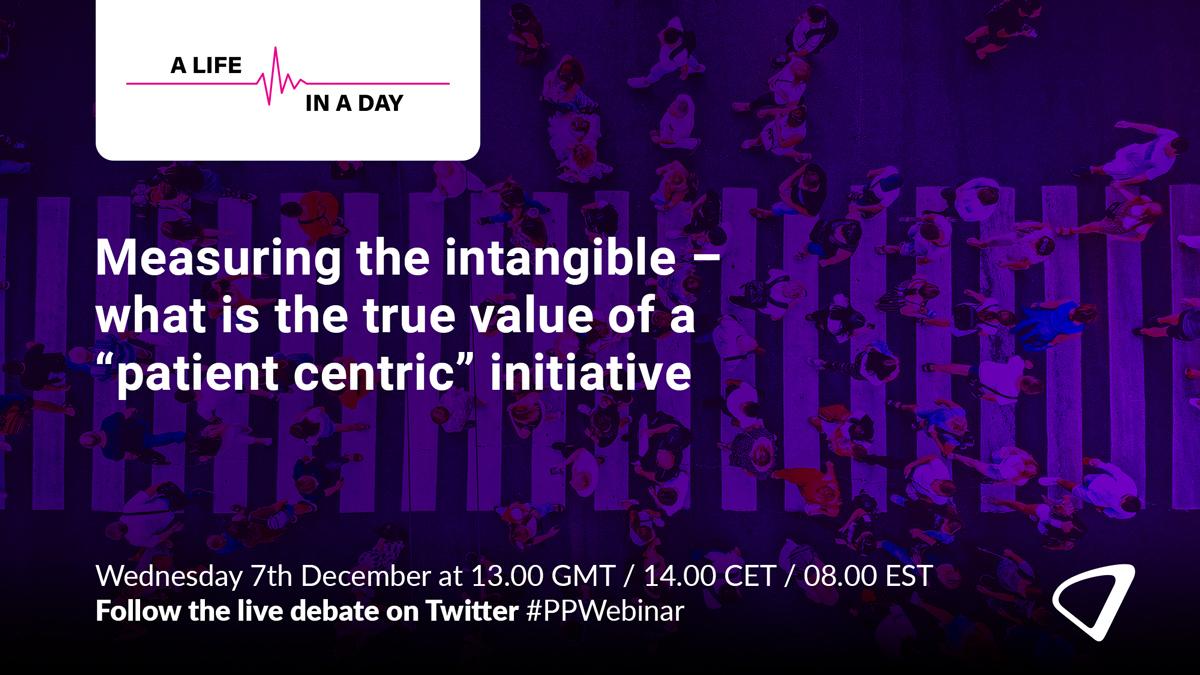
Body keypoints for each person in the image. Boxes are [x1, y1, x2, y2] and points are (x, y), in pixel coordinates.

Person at [1074, 121, 1187, 186]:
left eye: (1168, 148)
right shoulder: (1171, 135)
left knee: (1108, 169)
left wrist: (1123, 183)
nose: (1166, 146)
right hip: (1134, 150)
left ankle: (1092, 169)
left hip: (1132, 167)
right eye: (1168, 143)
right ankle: (1104, 169)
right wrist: (1130, 124)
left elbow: (1144, 177)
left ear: (1176, 153)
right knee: (1115, 159)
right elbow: (1153, 129)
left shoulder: (1165, 166)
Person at [1039, 457, 1140, 520]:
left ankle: (1057, 481)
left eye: (1120, 503)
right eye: (1122, 498)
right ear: (1130, 496)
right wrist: (1100, 464)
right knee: (1085, 478)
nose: (1119, 500)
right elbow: (1116, 471)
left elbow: (1113, 514)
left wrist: (1103, 510)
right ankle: (1076, 465)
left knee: (1075, 490)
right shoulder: (1130, 485)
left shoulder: (1126, 514)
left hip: (1097, 500)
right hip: (1099, 481)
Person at [1058, 185, 1162, 243]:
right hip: (1117, 212)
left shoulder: (1144, 225)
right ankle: (1098, 229)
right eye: (1149, 204)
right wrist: (1120, 188)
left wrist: (1119, 238)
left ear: (1149, 215)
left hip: (1116, 225)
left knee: (1092, 226)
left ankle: (1071, 231)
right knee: (1096, 226)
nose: (1145, 206)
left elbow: (1140, 238)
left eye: (1147, 209)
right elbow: (1133, 199)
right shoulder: (1145, 200)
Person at [80, 407, 184, 464]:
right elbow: (127, 413)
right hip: (140, 427)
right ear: (92, 432)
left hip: (142, 443)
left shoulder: (108, 453)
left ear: (93, 446)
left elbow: (129, 456)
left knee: (158, 441)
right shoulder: (107, 423)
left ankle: (178, 436)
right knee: (144, 423)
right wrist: (134, 410)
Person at [923, 355, 1042, 405]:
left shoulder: (1018, 367)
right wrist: (981, 396)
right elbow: (994, 399)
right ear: (1027, 391)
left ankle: (934, 367)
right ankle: (935, 368)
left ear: (1031, 378)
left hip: (983, 370)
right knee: (959, 372)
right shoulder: (1012, 397)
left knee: (958, 369)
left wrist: (1025, 362)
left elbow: (1012, 358)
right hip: (981, 384)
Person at [105, 482, 189, 548]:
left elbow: (157, 539)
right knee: (190, 496)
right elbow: (148, 492)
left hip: (172, 512)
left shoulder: (134, 540)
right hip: (170, 505)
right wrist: (164, 483)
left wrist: (172, 530)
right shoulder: (127, 510)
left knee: (190, 497)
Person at [627, 16, 705, 88]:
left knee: (656, 71)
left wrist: (683, 75)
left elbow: (684, 66)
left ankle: (647, 82)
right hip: (685, 54)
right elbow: (676, 19)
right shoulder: (677, 30)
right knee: (690, 58)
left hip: (669, 64)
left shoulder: (678, 55)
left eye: (665, 41)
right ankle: (698, 68)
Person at [889, 398, 975, 455]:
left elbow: (945, 452)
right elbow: (949, 403)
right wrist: (942, 401)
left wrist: (935, 437)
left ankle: (921, 424)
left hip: (934, 427)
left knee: (926, 425)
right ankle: (901, 406)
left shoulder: (955, 440)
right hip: (933, 412)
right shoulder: (960, 412)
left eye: (959, 432)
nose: (960, 428)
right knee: (915, 408)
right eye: (962, 428)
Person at [965, 0, 1042, 61]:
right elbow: (1000, 34)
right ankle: (981, 52)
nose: (1038, 14)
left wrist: (1002, 4)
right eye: (1037, 12)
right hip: (1002, 27)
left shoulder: (1019, 2)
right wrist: (1020, 33)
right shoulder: (1016, 24)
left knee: (987, 29)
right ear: (1029, 12)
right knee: (1000, 46)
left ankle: (970, 38)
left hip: (997, 17)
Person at [732, 55, 810, 113]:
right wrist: (773, 78)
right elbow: (784, 71)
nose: (790, 68)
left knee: (762, 99)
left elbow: (788, 102)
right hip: (776, 85)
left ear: (796, 78)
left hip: (777, 97)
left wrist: (775, 89)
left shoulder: (797, 89)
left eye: (792, 70)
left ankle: (748, 107)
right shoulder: (796, 63)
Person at [1012, 299, 1098, 352]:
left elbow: (1053, 304)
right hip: (1049, 332)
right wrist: (1051, 343)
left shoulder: (1071, 303)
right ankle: (1019, 342)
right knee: (1031, 336)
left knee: (1027, 322)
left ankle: (1012, 327)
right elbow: (1061, 338)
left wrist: (1039, 304)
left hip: (1044, 316)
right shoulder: (1078, 330)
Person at [750, 161, 827, 218]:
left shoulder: (816, 199)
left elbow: (810, 214)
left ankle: (768, 214)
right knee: (783, 190)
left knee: (779, 208)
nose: (800, 184)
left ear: (810, 189)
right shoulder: (815, 170)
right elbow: (806, 166)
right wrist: (789, 181)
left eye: (802, 186)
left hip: (803, 205)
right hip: (800, 195)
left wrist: (790, 203)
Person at [966, 222, 1056, 270]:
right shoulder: (1047, 232)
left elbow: (1024, 264)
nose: (1034, 241)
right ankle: (982, 244)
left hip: (1021, 251)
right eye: (1038, 240)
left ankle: (1011, 264)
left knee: (1017, 262)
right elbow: (1040, 225)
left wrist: (1007, 264)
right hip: (1021, 237)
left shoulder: (1034, 257)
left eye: (1035, 244)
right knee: (996, 240)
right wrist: (1023, 225)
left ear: (1037, 252)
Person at [728, 268, 806, 320]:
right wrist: (792, 305)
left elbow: (770, 271)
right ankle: (733, 300)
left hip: (752, 286)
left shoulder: (783, 276)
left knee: (747, 288)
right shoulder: (782, 307)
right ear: (792, 297)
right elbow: (774, 318)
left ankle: (739, 291)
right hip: (755, 303)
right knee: (747, 303)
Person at [635, 411, 691, 484]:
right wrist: (652, 431)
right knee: (656, 418)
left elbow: (658, 478)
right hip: (658, 431)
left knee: (642, 462)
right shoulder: (673, 426)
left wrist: (641, 472)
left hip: (652, 452)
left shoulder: (669, 468)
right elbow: (671, 426)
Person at [810, 342, 900, 385]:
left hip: (860, 370)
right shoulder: (886, 355)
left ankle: (825, 364)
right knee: (844, 367)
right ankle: (827, 365)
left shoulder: (887, 373)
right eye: (891, 360)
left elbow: (874, 380)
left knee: (843, 367)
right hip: (862, 360)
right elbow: (874, 348)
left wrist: (864, 371)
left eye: (891, 363)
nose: (890, 361)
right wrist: (869, 348)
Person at [741, 105, 809, 161]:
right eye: (789, 119)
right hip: (774, 128)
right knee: (764, 134)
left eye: (792, 123)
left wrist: (777, 126)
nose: (789, 123)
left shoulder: (800, 135)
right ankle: (756, 142)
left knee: (787, 152)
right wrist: (767, 112)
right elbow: (780, 111)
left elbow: (782, 145)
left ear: (800, 123)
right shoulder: (793, 109)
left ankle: (801, 156)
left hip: (782, 141)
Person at [773, 461, 841, 516]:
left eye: (824, 493)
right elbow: (830, 465)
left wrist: (821, 511)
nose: (824, 491)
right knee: (797, 475)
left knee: (807, 502)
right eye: (827, 490)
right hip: (811, 479)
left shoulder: (822, 504)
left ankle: (795, 482)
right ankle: (779, 474)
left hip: (806, 493)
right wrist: (829, 464)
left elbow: (809, 512)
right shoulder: (831, 481)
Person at [294, 453, 362, 507]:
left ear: (305, 476)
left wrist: (310, 458)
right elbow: (325, 493)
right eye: (315, 486)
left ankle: (347, 458)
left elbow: (302, 459)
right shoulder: (309, 496)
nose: (317, 483)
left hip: (321, 466)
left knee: (334, 464)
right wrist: (336, 487)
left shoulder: (298, 470)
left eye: (315, 481)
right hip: (326, 482)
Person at [878, 214, 950, 265]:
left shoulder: (938, 251)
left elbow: (925, 260)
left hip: (919, 247)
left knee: (906, 249)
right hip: (919, 237)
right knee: (911, 232)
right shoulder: (945, 225)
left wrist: (921, 260)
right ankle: (905, 246)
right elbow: (931, 216)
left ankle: (895, 248)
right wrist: (921, 219)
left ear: (929, 241)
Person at [875, 275, 947, 325]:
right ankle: (881, 307)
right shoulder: (918, 303)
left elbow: (910, 279)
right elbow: (904, 312)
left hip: (898, 293)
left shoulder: (919, 282)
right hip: (899, 302)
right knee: (894, 304)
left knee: (891, 296)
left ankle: (880, 303)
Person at [280, 191, 346, 246]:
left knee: (329, 230)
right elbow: (322, 195)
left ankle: (338, 227)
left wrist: (312, 241)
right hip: (334, 204)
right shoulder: (306, 198)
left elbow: (317, 233)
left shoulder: (304, 224)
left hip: (333, 213)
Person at [952, 445, 1038, 487]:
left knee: (974, 463)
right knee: (994, 455)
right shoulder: (1025, 456)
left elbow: (1008, 482)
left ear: (1029, 474)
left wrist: (995, 483)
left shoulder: (1022, 480)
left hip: (996, 472)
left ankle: (955, 456)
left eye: (1030, 470)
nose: (1029, 467)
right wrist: (1006, 451)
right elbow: (1014, 449)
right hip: (1001, 459)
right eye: (1031, 466)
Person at [946, 289, 1017, 338]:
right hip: (958, 327)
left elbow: (981, 298)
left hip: (960, 310)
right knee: (946, 324)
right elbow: (980, 333)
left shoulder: (994, 303)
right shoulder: (993, 330)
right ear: (1003, 323)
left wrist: (972, 293)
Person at [794, 217, 861, 267]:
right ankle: (807, 250)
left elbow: (837, 259)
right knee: (813, 236)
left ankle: (805, 253)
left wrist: (826, 262)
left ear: (847, 242)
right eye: (841, 229)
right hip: (825, 233)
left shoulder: (846, 251)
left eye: (842, 235)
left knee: (810, 247)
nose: (837, 231)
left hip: (828, 247)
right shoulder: (852, 220)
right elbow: (853, 209)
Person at [496, 501, 563, 551]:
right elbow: (533, 541)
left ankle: (498, 509)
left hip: (524, 512)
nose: (527, 531)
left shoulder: (513, 517)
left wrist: (530, 510)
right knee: (539, 514)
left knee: (514, 512)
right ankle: (550, 508)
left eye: (525, 531)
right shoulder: (522, 540)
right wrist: (549, 535)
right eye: (527, 534)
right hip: (532, 520)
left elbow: (515, 505)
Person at [4, 341, 69, 392]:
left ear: (14, 374)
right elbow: (40, 345)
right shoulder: (29, 356)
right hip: (61, 360)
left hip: (62, 376)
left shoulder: (25, 382)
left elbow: (44, 387)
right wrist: (29, 345)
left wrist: (59, 388)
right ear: (16, 361)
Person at [289, 405, 370, 446]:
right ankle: (358, 427)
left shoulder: (308, 437)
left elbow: (315, 443)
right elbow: (321, 408)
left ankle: (358, 427)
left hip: (327, 427)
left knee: (347, 428)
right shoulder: (310, 417)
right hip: (328, 427)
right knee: (347, 428)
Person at [805, 292, 870, 343]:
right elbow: (852, 334)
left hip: (831, 321)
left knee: (822, 316)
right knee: (822, 317)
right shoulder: (840, 327)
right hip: (831, 321)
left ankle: (814, 318)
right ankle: (815, 318)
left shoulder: (842, 309)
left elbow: (852, 334)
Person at [1133, 298, 1200, 341]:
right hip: (1186, 332)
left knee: (1175, 318)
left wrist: (1190, 301)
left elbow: (1197, 302)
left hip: (1187, 317)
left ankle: (1157, 321)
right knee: (1164, 332)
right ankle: (1142, 331)